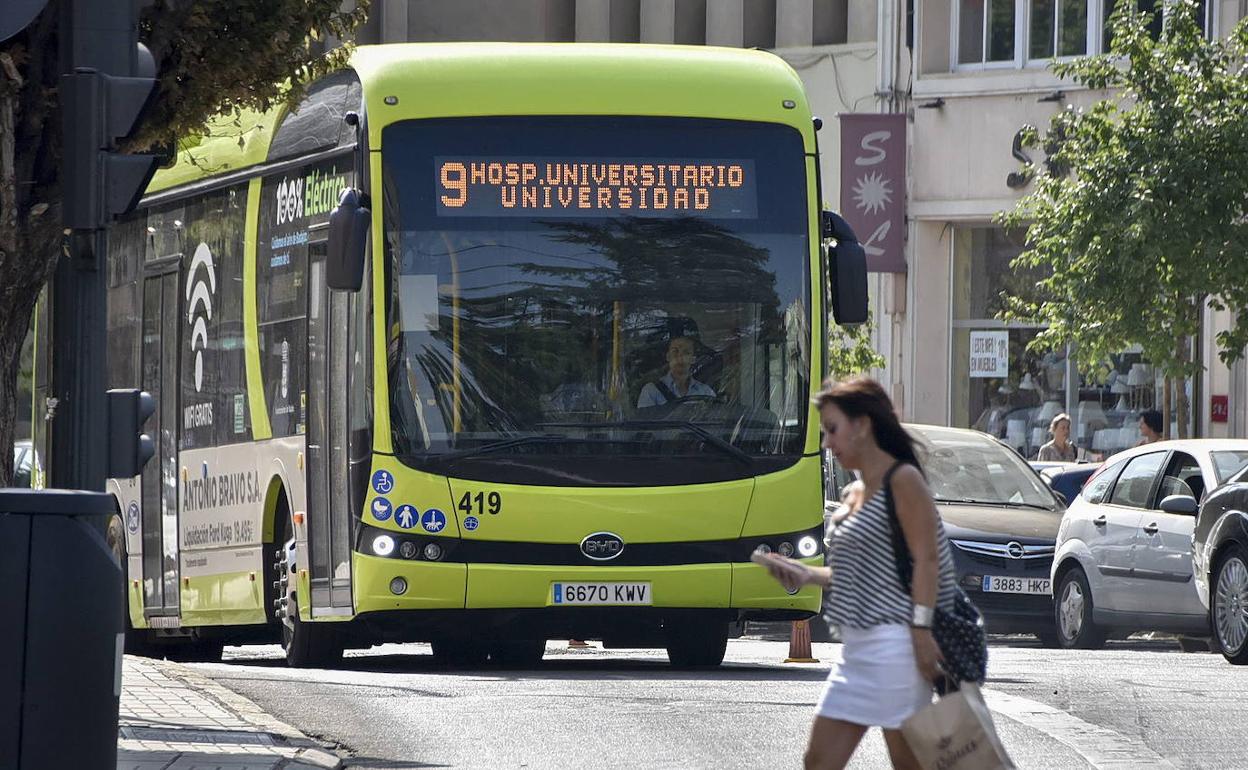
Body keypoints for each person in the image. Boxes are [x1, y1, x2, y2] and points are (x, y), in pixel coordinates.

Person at [758, 377, 959, 770]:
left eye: (833, 430)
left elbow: (927, 560)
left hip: (896, 649)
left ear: (863, 424)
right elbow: (856, 577)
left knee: (908, 765)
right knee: (817, 763)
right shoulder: (852, 494)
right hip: (856, 653)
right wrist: (803, 574)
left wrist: (920, 634)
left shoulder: (903, 481)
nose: (828, 443)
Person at [636, 335, 715, 408]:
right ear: (668, 357)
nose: (680, 357)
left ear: (693, 359)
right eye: (675, 351)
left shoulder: (706, 392)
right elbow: (643, 422)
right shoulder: (651, 391)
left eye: (686, 352)